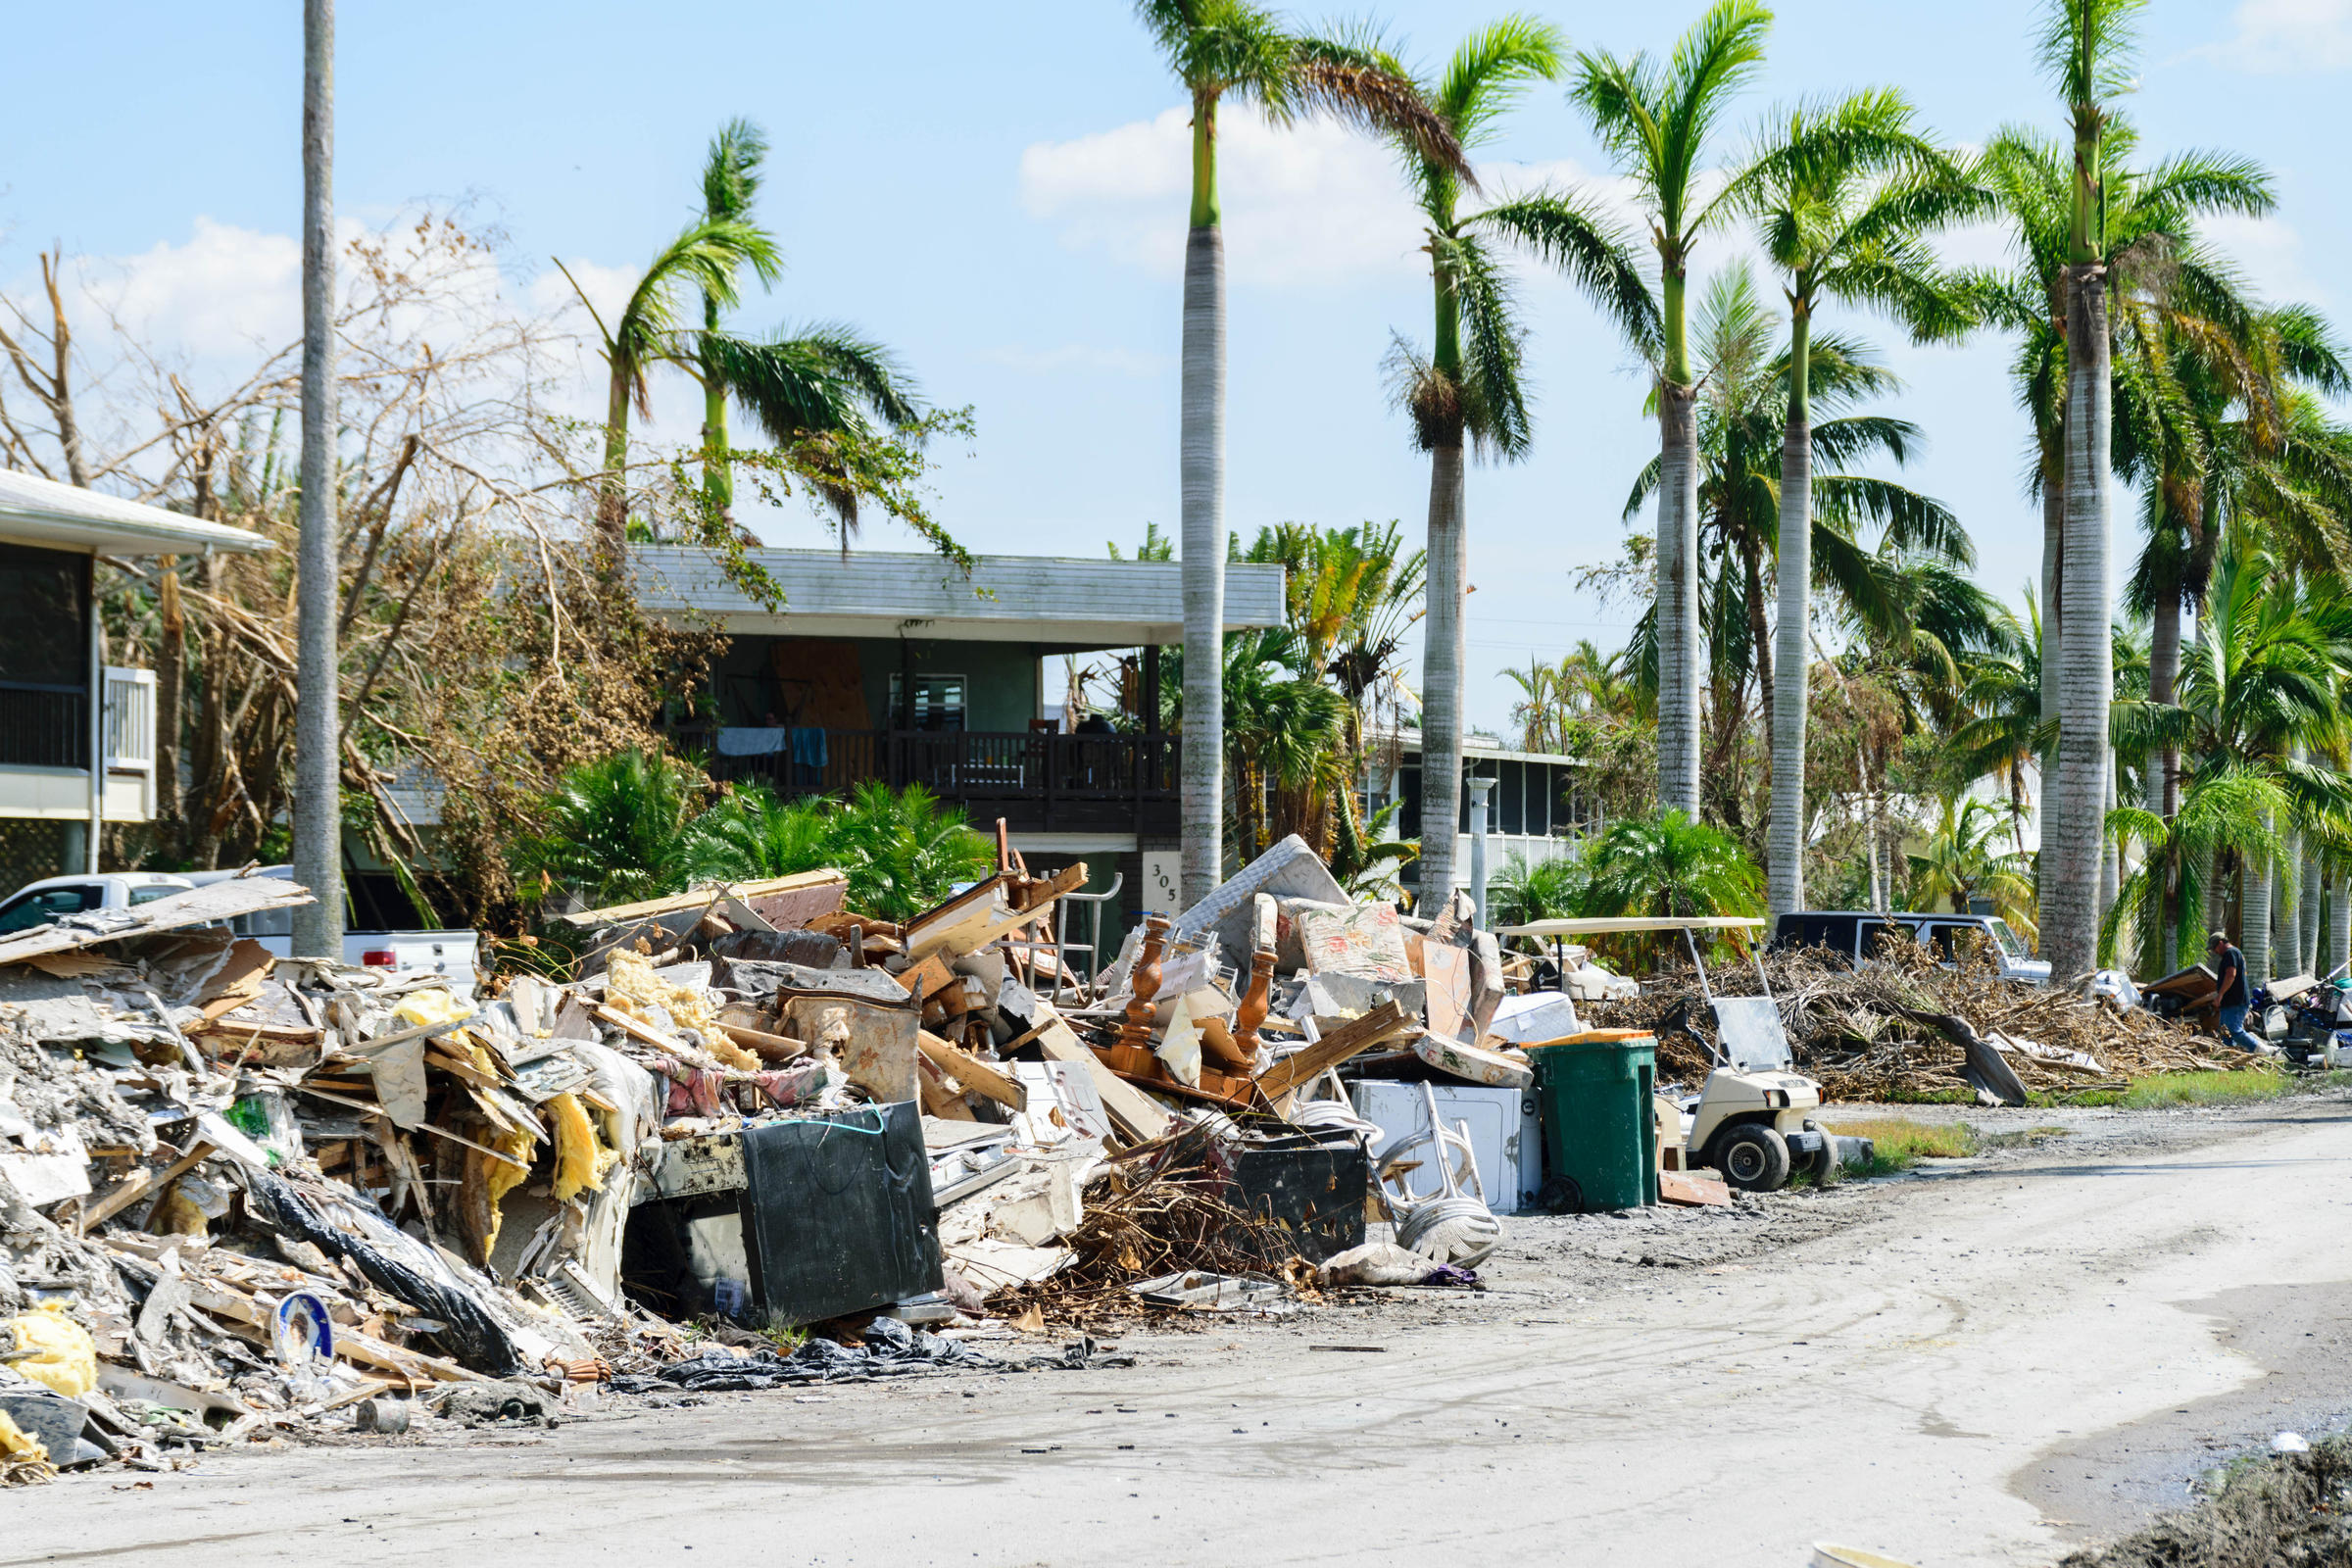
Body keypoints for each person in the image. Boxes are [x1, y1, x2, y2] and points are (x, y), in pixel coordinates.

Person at [2209, 930, 2265, 1053]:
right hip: (2230, 1001)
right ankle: (2229, 1054)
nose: (2214, 951)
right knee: (2225, 1032)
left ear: (2220, 943)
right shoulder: (2232, 953)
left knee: (2234, 1030)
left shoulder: (2230, 953)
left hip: (2236, 1001)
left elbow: (2231, 975)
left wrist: (2220, 995)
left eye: (2214, 948)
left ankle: (2259, 1049)